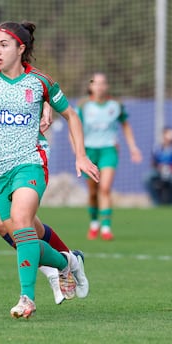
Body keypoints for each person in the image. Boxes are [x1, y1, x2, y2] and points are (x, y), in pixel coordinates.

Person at [0, 21, 99, 318]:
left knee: (22, 220)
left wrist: (80, 156)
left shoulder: (40, 82)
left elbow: (72, 115)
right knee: (9, 227)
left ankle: (27, 299)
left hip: (30, 163)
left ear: (20, 49)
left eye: (4, 45)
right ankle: (66, 262)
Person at [75, 73, 142, 241]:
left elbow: (125, 125)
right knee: (92, 192)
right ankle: (94, 224)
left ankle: (105, 228)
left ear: (107, 86)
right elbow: (74, 128)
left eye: (103, 83)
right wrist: (78, 151)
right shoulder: (83, 106)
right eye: (96, 83)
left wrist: (133, 148)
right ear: (90, 86)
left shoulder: (115, 105)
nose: (99, 86)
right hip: (89, 152)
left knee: (104, 188)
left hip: (109, 150)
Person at [144, 127, 172, 205]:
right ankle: (156, 202)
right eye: (169, 134)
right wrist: (159, 167)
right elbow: (153, 162)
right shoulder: (157, 147)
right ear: (164, 135)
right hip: (159, 171)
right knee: (147, 178)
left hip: (170, 171)